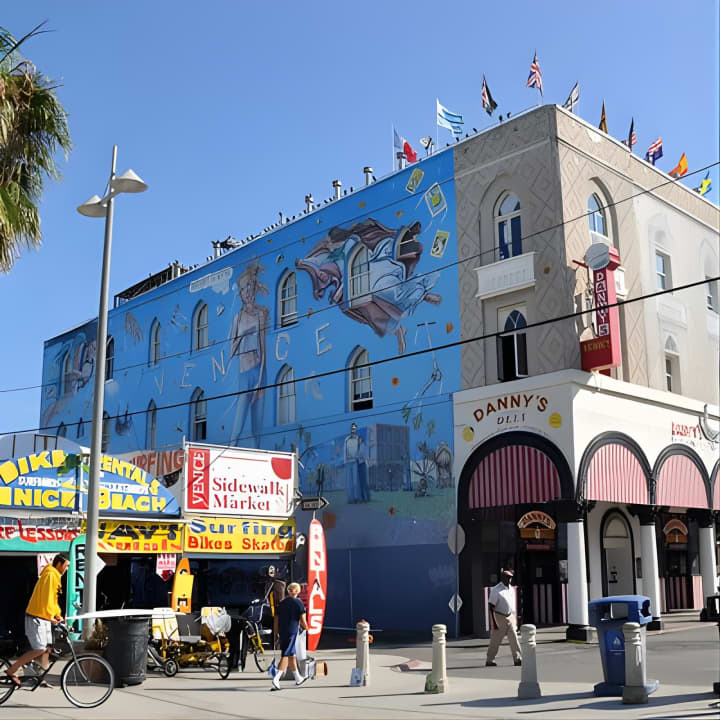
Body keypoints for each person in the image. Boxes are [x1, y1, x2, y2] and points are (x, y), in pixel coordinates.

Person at [5, 554, 70, 687]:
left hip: (44, 617)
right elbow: (46, 599)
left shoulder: (55, 576)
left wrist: (58, 615)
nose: (67, 568)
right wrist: (52, 616)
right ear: (59, 564)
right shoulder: (51, 575)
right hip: (37, 617)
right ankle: (12, 670)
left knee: (48, 648)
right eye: (66, 565)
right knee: (40, 649)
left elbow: (53, 600)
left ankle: (39, 676)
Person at [271, 582, 308, 691]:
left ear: (288, 591)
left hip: (283, 630)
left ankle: (298, 678)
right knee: (286, 655)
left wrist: (276, 632)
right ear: (298, 591)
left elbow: (276, 619)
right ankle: (276, 679)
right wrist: (307, 628)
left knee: (292, 654)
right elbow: (303, 621)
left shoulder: (282, 603)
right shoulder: (298, 603)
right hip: (292, 630)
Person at [485, 568, 522, 667]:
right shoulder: (496, 590)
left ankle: (518, 658)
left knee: (514, 637)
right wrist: (494, 623)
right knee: (495, 640)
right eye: (507, 577)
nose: (509, 579)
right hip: (499, 616)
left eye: (510, 577)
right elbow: (491, 607)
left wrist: (515, 617)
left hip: (510, 616)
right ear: (502, 578)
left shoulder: (511, 589)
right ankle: (490, 659)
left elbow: (512, 604)